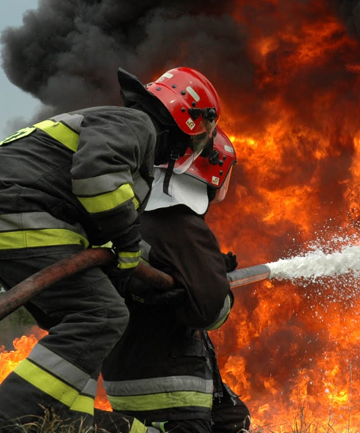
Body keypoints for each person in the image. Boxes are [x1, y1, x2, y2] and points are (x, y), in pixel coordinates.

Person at [0, 66, 222, 433]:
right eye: (201, 136)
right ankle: (15, 422)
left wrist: (138, 272)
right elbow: (96, 178)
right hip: (17, 210)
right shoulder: (136, 125)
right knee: (103, 315)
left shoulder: (121, 130)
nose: (193, 147)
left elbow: (98, 219)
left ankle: (63, 421)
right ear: (187, 118)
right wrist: (128, 246)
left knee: (78, 324)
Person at [100, 127, 251, 433]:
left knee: (233, 418)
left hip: (125, 372)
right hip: (170, 384)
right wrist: (217, 284)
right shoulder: (182, 223)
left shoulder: (132, 216)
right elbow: (211, 311)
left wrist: (207, 269)